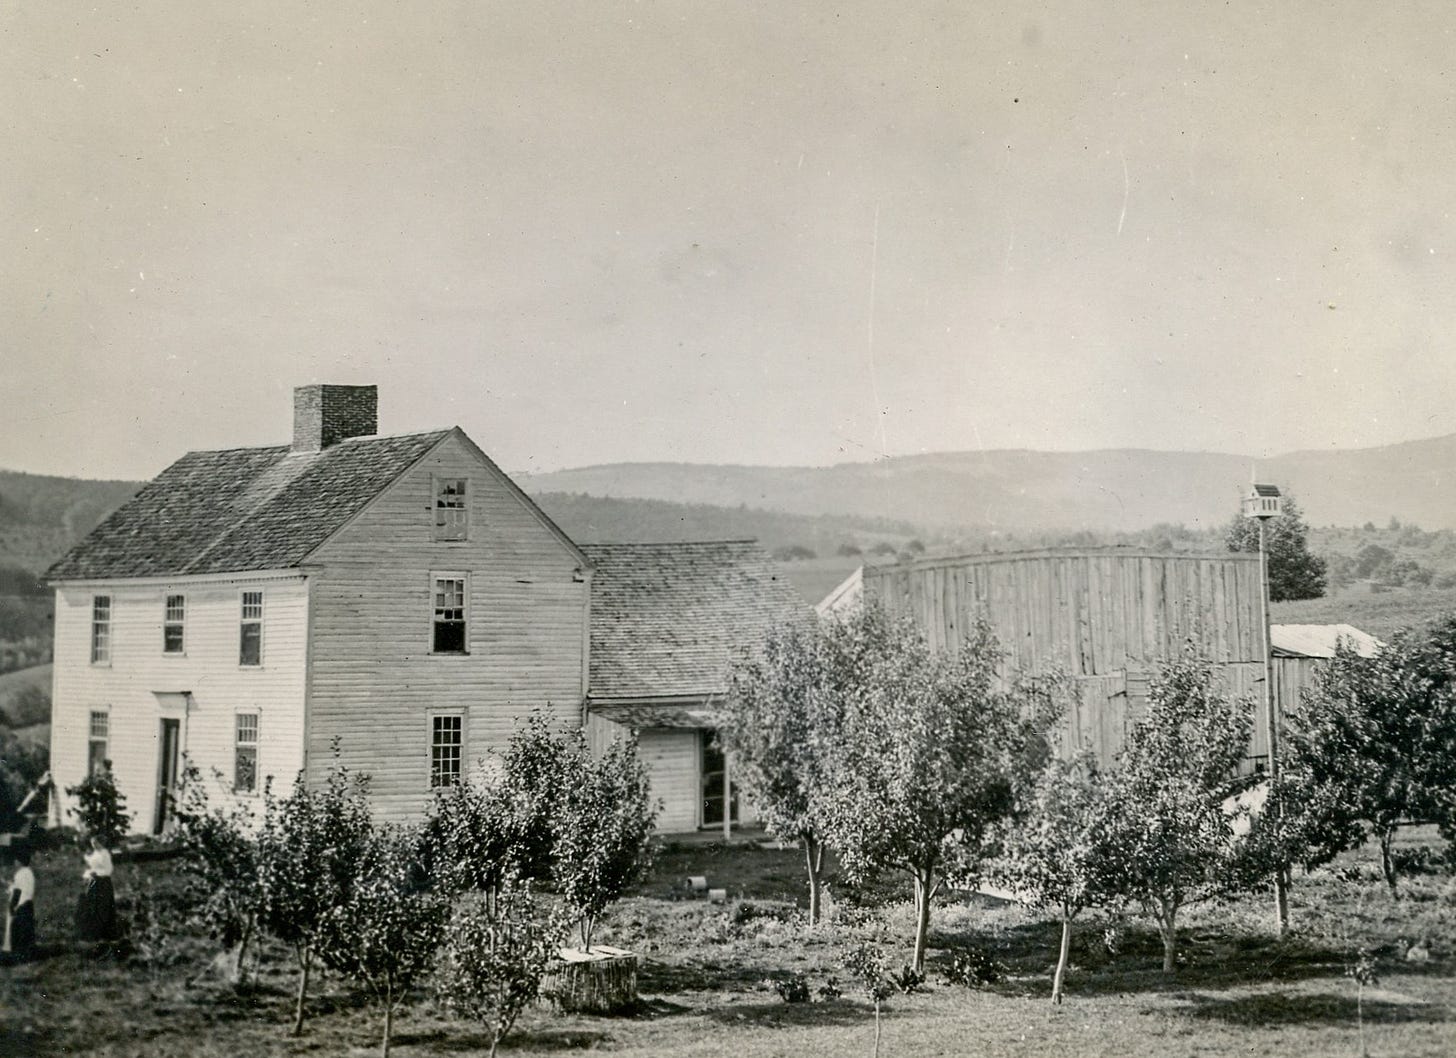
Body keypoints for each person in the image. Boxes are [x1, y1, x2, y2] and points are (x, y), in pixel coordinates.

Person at [75, 835, 117, 946]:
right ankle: (92, 933)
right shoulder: (94, 853)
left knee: (102, 907)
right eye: (92, 843)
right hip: (94, 882)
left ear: (101, 843)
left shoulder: (105, 853)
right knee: (92, 906)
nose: (94, 845)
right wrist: (88, 875)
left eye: (96, 843)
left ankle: (104, 934)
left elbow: (108, 870)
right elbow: (92, 867)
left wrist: (96, 874)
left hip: (103, 883)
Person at [5, 845, 37, 962]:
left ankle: (19, 954)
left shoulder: (20, 874)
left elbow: (17, 891)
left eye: (16, 860)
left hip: (20, 904)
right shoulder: (29, 872)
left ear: (19, 861)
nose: (14, 862)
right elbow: (24, 888)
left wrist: (13, 906)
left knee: (17, 929)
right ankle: (27, 953)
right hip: (28, 903)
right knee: (27, 929)